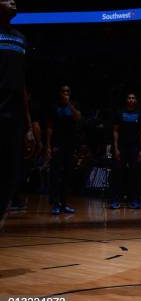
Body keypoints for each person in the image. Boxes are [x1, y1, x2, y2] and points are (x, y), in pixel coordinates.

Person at [0, 0, 35, 227]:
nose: (12, 1)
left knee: (10, 175)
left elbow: (22, 85)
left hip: (13, 119)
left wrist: (29, 126)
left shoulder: (20, 39)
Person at [46, 85, 80, 214]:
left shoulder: (74, 105)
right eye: (63, 91)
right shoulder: (54, 107)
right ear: (59, 93)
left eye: (68, 91)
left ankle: (64, 203)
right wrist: (48, 146)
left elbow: (78, 118)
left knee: (67, 174)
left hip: (70, 144)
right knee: (56, 174)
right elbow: (49, 127)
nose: (66, 93)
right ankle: (55, 203)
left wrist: (69, 104)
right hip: (57, 144)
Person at [110, 92, 141, 209]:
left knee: (134, 174)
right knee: (118, 173)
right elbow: (115, 131)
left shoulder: (140, 114)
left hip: (134, 148)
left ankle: (134, 200)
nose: (131, 99)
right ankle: (115, 200)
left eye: (133, 98)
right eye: (129, 98)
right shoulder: (120, 113)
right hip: (121, 147)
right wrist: (116, 148)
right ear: (126, 100)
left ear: (136, 100)